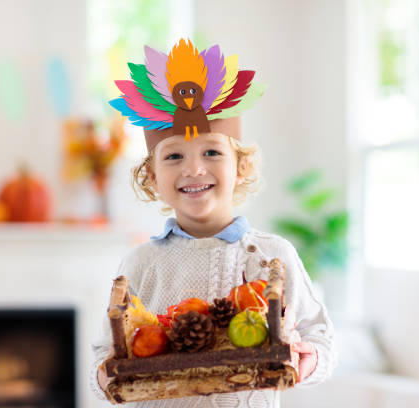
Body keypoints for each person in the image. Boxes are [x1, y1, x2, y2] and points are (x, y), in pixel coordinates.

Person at [91, 39, 337, 408]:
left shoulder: (272, 257)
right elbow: (105, 351)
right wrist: (104, 375)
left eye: (211, 152)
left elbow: (320, 335)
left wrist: (308, 358)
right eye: (174, 156)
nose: (193, 169)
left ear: (240, 168)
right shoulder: (140, 263)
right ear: (153, 178)